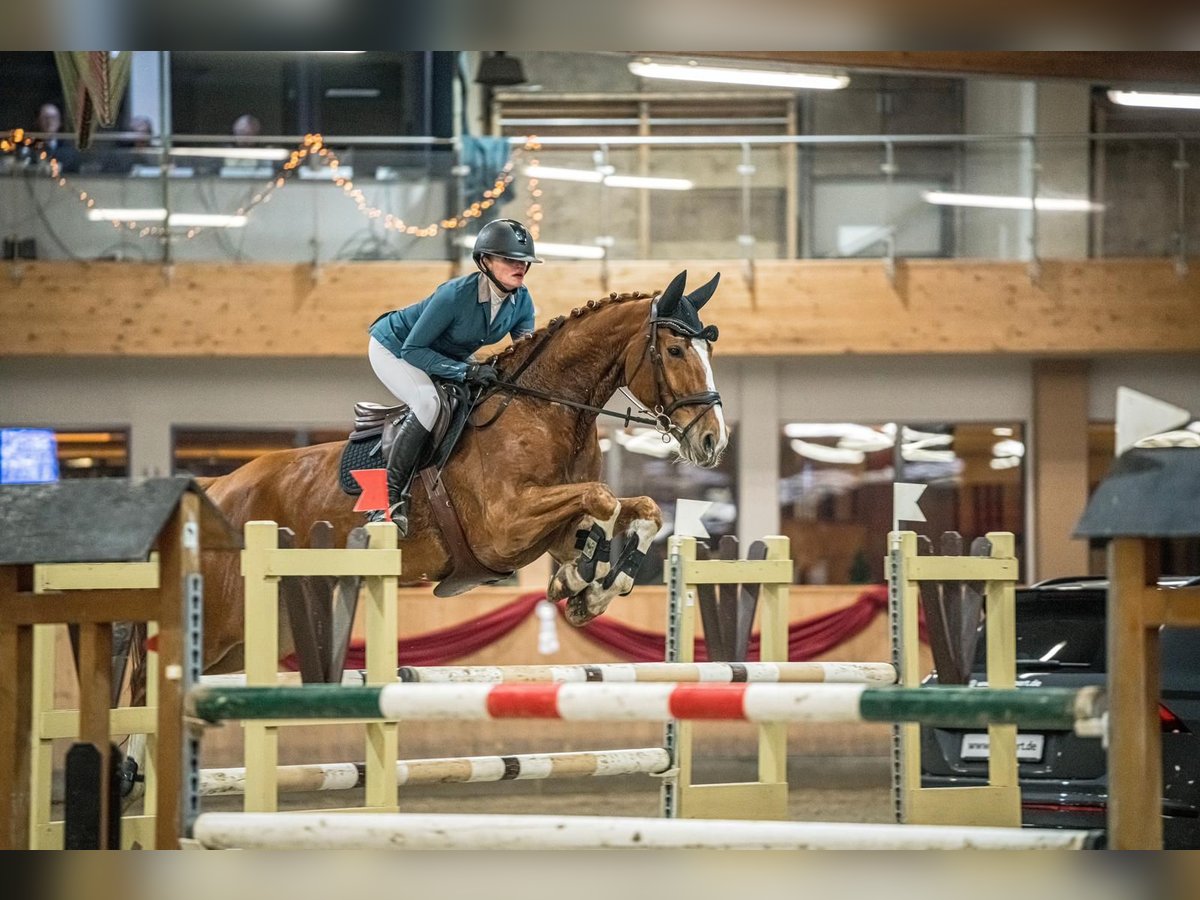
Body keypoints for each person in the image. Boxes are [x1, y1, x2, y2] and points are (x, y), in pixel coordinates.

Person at [365, 218, 541, 533]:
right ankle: (387, 502)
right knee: (427, 402)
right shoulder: (454, 295)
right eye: (510, 260)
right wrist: (466, 370)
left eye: (524, 261)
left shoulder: (522, 301)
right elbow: (413, 351)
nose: (521, 267)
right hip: (393, 348)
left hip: (442, 354)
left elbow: (527, 355)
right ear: (485, 261)